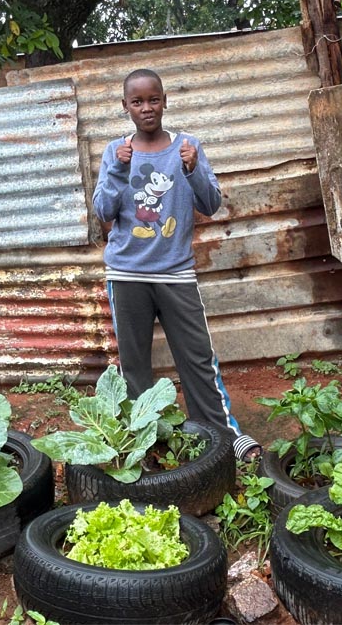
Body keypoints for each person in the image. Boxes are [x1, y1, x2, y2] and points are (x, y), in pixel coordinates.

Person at [92, 68, 262, 463]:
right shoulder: (116, 151)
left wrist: (192, 168)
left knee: (198, 358)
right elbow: (103, 210)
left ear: (165, 100)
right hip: (126, 274)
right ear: (125, 107)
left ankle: (224, 435)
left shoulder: (188, 146)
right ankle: (142, 445)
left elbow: (211, 203)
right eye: (138, 102)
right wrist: (118, 168)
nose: (147, 108)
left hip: (176, 272)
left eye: (153, 99)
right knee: (134, 366)